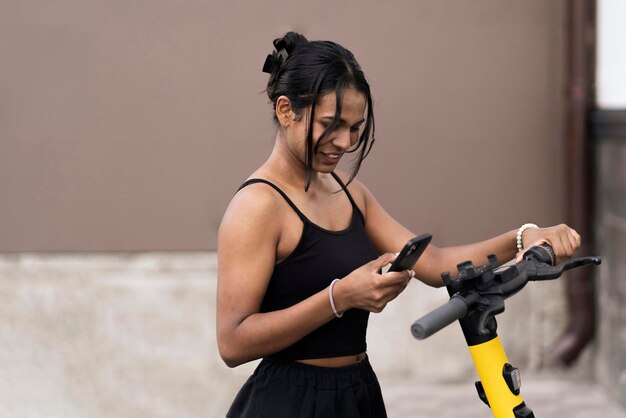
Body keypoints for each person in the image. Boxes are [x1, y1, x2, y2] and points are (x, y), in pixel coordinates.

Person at [216, 32, 581, 418]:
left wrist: (523, 236)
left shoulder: (350, 193)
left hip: (358, 394)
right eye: (331, 124)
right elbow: (233, 342)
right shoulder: (257, 206)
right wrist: (340, 298)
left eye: (355, 128)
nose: (343, 141)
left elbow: (436, 265)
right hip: (290, 403)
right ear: (286, 110)